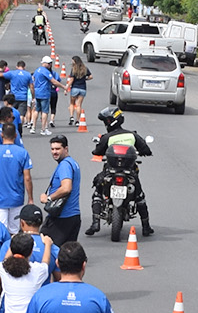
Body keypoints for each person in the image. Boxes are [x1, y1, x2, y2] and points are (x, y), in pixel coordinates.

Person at [87, 106, 154, 237]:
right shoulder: (132, 135)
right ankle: (146, 226)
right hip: (130, 172)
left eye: (106, 121)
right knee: (139, 196)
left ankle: (95, 223)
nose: (106, 124)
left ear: (111, 121)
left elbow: (97, 151)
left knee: (98, 193)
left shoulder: (107, 137)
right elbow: (146, 149)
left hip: (110, 171)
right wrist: (143, 152)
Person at [0, 122, 34, 231]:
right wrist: (30, 198)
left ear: (1, 135)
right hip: (17, 198)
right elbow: (27, 178)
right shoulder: (23, 153)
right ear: (15, 135)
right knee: (14, 230)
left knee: (1, 230)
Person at [41, 135, 82, 246]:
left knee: (44, 244)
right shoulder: (72, 163)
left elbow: (66, 188)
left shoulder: (65, 165)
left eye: (58, 149)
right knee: (68, 252)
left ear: (66, 149)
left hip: (62, 218)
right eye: (52, 149)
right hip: (72, 217)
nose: (54, 152)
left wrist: (48, 198)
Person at [29, 55, 58, 136]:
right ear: (44, 63)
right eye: (49, 63)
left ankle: (33, 127)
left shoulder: (37, 70)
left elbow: (33, 80)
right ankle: (43, 129)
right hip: (44, 93)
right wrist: (63, 87)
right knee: (45, 111)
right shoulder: (45, 71)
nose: (50, 65)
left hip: (37, 93)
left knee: (36, 110)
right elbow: (53, 81)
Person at [65, 56, 90, 126]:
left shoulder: (74, 69)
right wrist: (85, 79)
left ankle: (71, 116)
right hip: (83, 89)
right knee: (79, 105)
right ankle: (77, 121)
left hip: (75, 88)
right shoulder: (85, 69)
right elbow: (91, 76)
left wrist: (66, 88)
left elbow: (71, 80)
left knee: (72, 103)